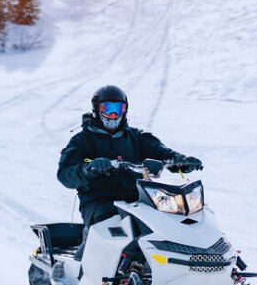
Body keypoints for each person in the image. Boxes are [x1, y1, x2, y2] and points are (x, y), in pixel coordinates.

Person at [57, 85, 202, 235]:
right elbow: (65, 174)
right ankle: (91, 245)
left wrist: (181, 161)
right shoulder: (82, 141)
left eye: (118, 109)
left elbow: (161, 152)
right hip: (99, 201)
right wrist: (89, 169)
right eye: (107, 108)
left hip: (139, 199)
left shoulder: (136, 137)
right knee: (113, 221)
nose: (113, 114)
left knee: (168, 218)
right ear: (96, 109)